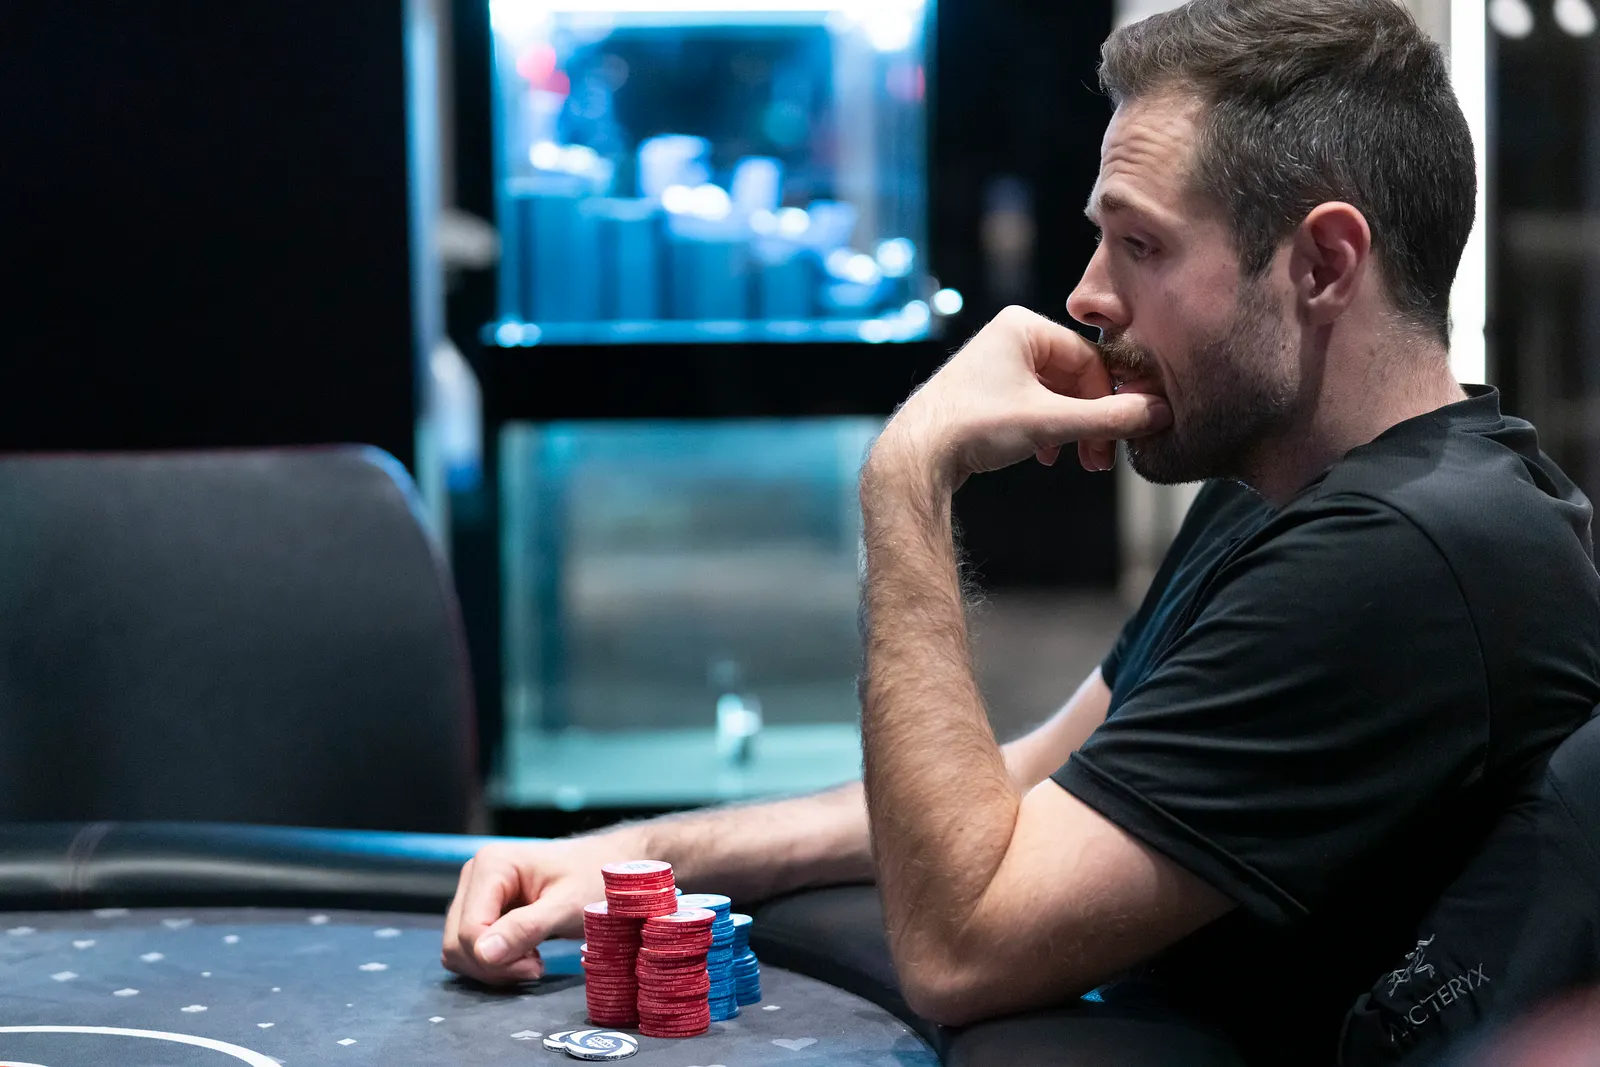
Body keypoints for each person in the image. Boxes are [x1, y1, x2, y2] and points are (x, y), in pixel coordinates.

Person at [442, 0, 1600, 1062]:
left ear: (1321, 264)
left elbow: (963, 942)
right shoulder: (1287, 488)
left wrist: (906, 479)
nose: (1086, 294)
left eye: (1141, 245)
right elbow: (1033, 779)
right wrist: (641, 853)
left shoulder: (1403, 556)